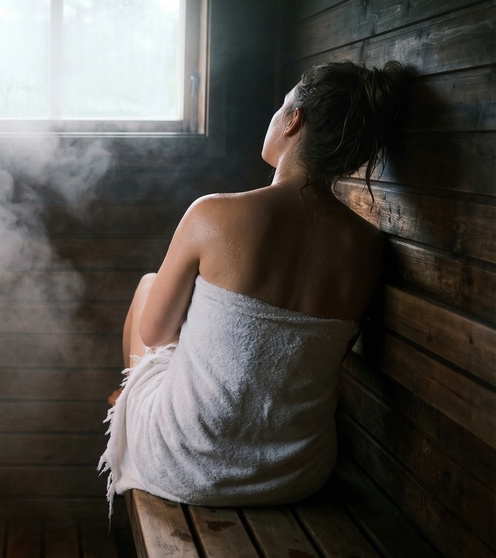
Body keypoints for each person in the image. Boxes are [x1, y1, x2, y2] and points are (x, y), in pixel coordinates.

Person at [99, 60, 409, 511]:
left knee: (151, 286)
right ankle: (137, 400)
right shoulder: (368, 246)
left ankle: (129, 402)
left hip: (185, 462)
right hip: (296, 471)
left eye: (281, 105)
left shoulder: (213, 213)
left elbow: (155, 336)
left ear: (293, 119)